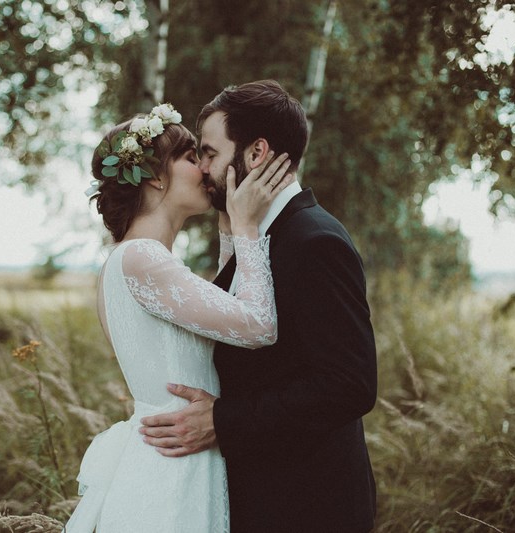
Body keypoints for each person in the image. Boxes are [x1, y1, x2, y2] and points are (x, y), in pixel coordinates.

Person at [139, 80, 378, 532]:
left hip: (310, 505)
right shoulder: (255, 236)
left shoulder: (313, 241)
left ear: (256, 153)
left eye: (209, 153)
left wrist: (223, 421)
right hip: (267, 496)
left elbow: (351, 384)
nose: (202, 167)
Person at [64, 103, 294, 532]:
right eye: (192, 158)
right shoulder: (142, 258)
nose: (206, 170)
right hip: (171, 470)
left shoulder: (134, 260)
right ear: (154, 176)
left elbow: (224, 307)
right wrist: (246, 229)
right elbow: (259, 324)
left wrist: (228, 226)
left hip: (180, 453)